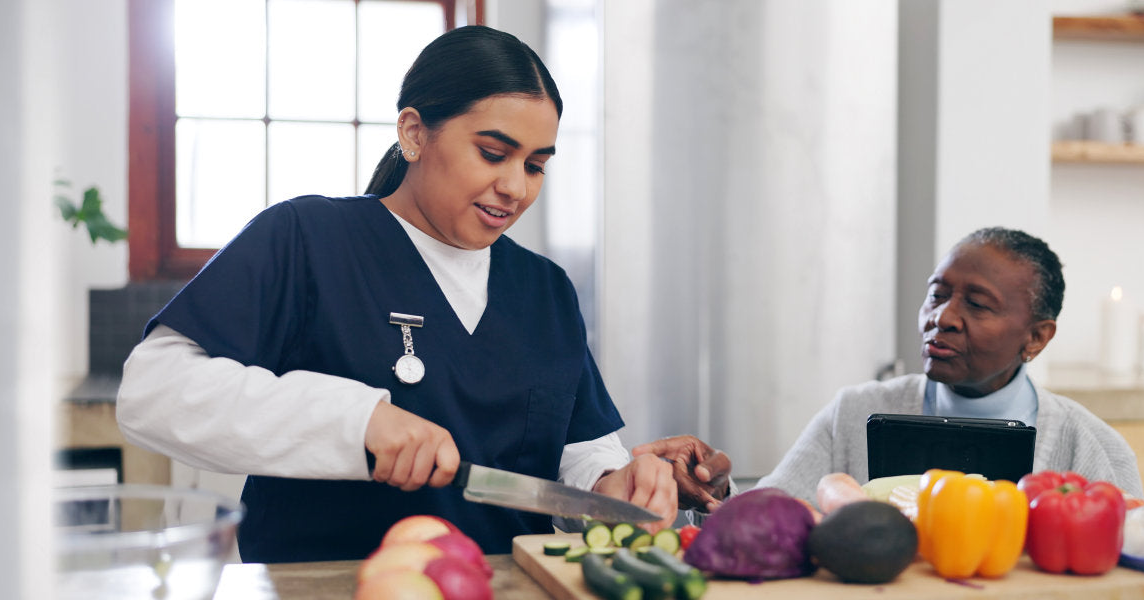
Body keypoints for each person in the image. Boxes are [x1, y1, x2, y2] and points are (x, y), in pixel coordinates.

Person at [115, 26, 723, 563]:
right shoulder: (307, 240)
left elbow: (577, 453)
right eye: (493, 153)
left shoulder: (544, 289)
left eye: (536, 165)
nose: (514, 187)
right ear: (413, 132)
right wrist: (354, 421)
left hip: (506, 586)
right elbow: (153, 392)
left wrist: (612, 489)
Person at [755, 227, 1144, 499]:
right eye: (937, 295)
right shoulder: (854, 413)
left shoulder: (1092, 448)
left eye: (977, 304)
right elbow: (763, 516)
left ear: (1036, 337)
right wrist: (715, 490)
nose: (942, 317)